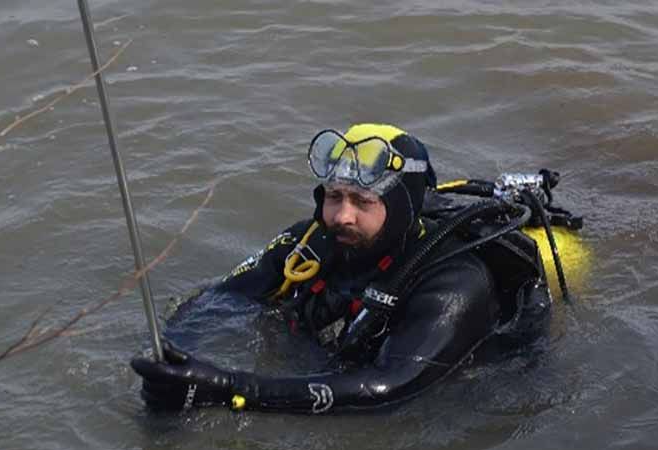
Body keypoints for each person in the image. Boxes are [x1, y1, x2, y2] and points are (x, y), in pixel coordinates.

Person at [131, 123, 552, 414]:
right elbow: (224, 298)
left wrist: (231, 390)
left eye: (363, 202)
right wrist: (168, 356)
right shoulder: (311, 242)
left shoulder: (455, 283)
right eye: (335, 196)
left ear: (404, 206)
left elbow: (391, 389)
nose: (342, 216)